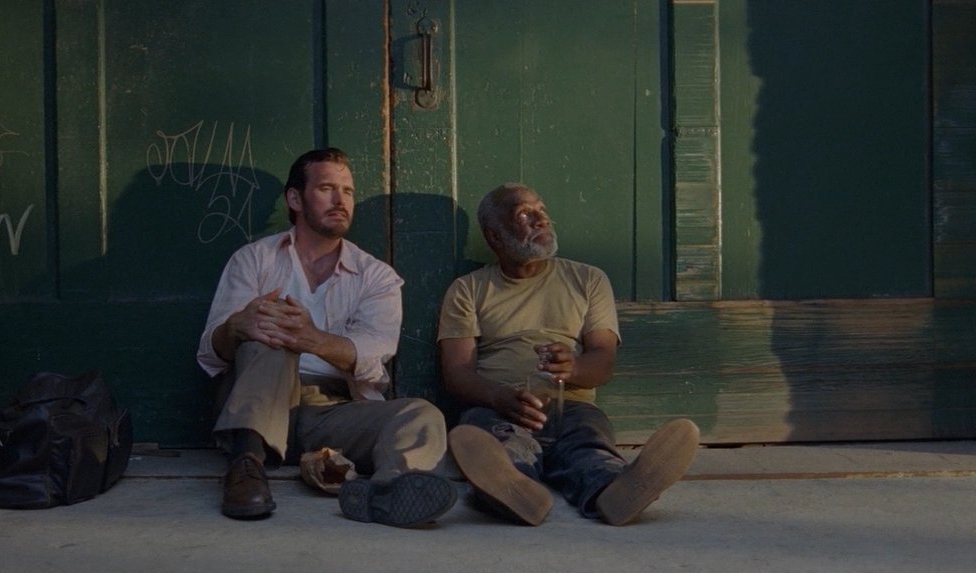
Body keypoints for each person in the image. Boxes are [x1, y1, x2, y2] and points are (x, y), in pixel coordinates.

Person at [197, 148, 455, 527]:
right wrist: (236, 326)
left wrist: (311, 339)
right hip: (257, 403)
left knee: (421, 414)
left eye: (347, 191)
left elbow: (374, 353)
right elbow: (210, 354)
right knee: (270, 331)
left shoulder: (376, 276)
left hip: (331, 412)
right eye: (326, 189)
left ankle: (391, 491)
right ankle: (246, 467)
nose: (340, 201)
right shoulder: (254, 259)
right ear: (295, 199)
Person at [437, 183, 699, 526]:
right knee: (501, 445)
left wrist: (573, 367)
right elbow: (457, 373)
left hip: (572, 408)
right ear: (494, 236)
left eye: (542, 210)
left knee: (588, 448)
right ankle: (512, 490)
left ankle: (615, 490)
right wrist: (499, 397)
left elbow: (603, 361)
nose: (542, 220)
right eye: (525, 215)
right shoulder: (468, 290)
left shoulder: (588, 279)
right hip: (498, 408)